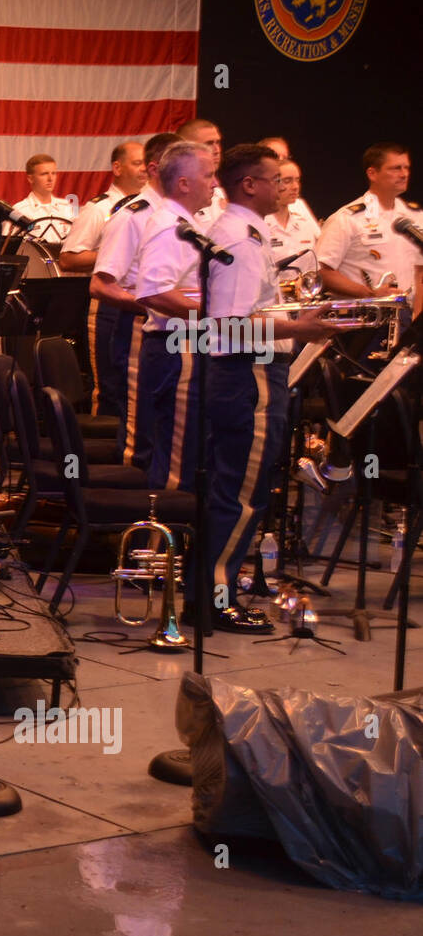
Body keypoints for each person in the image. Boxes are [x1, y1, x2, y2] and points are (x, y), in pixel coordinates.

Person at [196, 144, 341, 632]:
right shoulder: (238, 238)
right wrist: (299, 329)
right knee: (240, 494)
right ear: (249, 185)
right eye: (276, 179)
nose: (285, 188)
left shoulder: (244, 231)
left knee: (240, 488)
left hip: (250, 371)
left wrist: (295, 319)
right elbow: (229, 326)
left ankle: (215, 591)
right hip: (248, 372)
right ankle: (216, 599)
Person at [133, 140, 218, 490]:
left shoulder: (185, 222)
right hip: (175, 346)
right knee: (175, 462)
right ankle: (162, 538)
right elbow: (152, 291)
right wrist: (215, 313)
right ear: (183, 183)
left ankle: (172, 535)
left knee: (184, 454)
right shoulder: (170, 225)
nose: (215, 183)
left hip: (185, 344)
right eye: (209, 175)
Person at [89, 132, 179, 457]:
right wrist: (147, 305)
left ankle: (161, 499)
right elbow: (99, 285)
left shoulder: (182, 217)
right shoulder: (132, 215)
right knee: (139, 432)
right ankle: (133, 501)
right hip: (138, 329)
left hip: (177, 333)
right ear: (157, 169)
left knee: (167, 428)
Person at [316, 142, 423, 300]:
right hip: (369, 315)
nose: (404, 174)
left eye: (406, 167)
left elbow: (420, 272)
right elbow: (321, 272)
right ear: (372, 173)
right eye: (396, 168)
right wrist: (370, 294)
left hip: (409, 316)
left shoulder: (415, 215)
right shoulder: (348, 218)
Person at [58, 141, 146, 274]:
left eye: (146, 163)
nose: (144, 168)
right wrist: (119, 254)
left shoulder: (151, 207)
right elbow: (67, 260)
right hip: (111, 291)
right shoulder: (98, 209)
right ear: (117, 168)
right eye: (137, 163)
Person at [265, 159, 320, 278]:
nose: (295, 187)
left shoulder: (304, 224)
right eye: (287, 181)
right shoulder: (260, 224)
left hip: (304, 294)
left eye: (297, 180)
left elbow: (313, 269)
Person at [11, 154, 75, 243]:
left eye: (53, 173)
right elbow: (8, 249)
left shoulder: (66, 207)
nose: (50, 178)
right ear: (30, 178)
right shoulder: (19, 210)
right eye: (44, 174)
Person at [177, 118, 227, 227]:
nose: (217, 150)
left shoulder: (221, 195)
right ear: (185, 148)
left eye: (218, 142)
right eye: (209, 143)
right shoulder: (175, 194)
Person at [257, 137, 317, 222]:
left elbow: (317, 234)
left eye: (285, 158)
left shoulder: (298, 205)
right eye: (275, 157)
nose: (281, 161)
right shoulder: (252, 205)